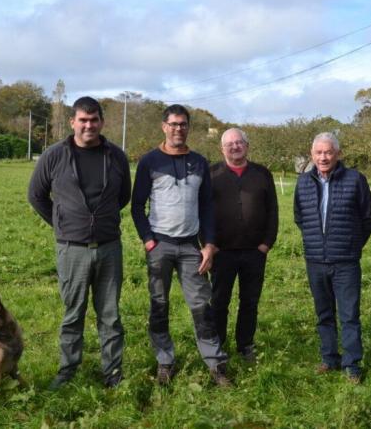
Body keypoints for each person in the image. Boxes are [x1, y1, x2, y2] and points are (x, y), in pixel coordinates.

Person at [28, 96, 130, 390]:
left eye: (94, 119)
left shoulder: (116, 156)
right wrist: (62, 224)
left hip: (109, 247)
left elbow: (123, 196)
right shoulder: (54, 155)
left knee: (110, 315)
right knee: (73, 314)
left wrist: (100, 221)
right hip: (71, 249)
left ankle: (112, 373)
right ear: (72, 122)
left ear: (102, 122)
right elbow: (36, 195)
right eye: (83, 120)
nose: (89, 125)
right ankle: (67, 370)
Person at [131, 104, 230, 386]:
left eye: (183, 124)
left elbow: (207, 206)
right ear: (164, 126)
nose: (178, 129)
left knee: (202, 305)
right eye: (173, 124)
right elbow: (137, 205)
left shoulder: (200, 161)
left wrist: (209, 245)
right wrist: (148, 239)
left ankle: (215, 363)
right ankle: (165, 360)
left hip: (190, 247)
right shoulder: (149, 161)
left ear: (188, 127)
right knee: (159, 304)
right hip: (159, 245)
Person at [294, 132, 371, 383]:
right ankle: (329, 359)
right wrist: (317, 242)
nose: (323, 157)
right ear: (312, 155)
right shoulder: (303, 183)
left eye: (328, 152)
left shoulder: (355, 180)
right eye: (318, 152)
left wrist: (352, 244)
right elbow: (300, 217)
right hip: (315, 260)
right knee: (323, 314)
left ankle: (352, 364)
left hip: (346, 261)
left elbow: (369, 218)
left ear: (338, 154)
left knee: (349, 315)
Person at [209, 128, 278, 362]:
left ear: (247, 146)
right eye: (230, 144)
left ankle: (245, 344)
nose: (235, 147)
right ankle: (217, 345)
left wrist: (266, 244)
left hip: (254, 252)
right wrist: (209, 244)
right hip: (221, 252)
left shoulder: (262, 174)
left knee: (249, 301)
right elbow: (201, 212)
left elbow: (273, 211)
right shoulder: (211, 174)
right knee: (219, 301)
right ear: (222, 148)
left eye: (239, 142)